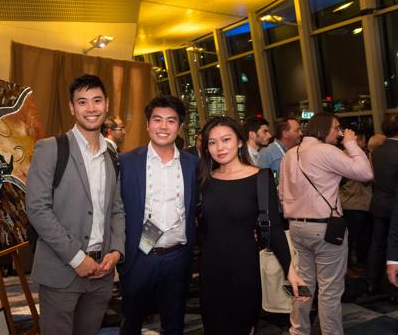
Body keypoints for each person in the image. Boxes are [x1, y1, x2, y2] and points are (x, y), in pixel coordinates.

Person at [25, 74, 125, 335]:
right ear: (71, 107)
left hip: (102, 273)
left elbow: (117, 208)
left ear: (106, 104)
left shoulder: (112, 155)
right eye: (82, 102)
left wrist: (116, 251)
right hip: (62, 272)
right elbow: (37, 209)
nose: (91, 109)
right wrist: (76, 258)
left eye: (97, 101)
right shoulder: (50, 149)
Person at [198, 116, 307, 334]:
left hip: (244, 270)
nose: (219, 147)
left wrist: (290, 270)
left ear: (239, 141)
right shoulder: (203, 179)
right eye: (212, 142)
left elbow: (274, 228)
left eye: (226, 139)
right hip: (211, 271)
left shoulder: (260, 177)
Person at [279, 112, 373, 335]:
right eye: (337, 128)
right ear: (324, 129)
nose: (340, 133)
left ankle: (298, 331)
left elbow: (281, 194)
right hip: (325, 229)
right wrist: (351, 145)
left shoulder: (290, 154)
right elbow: (365, 172)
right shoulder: (326, 151)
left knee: (302, 285)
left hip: (297, 227)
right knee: (330, 290)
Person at [118, 95, 199, 334]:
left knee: (174, 323)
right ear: (147, 124)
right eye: (157, 120)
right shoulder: (126, 162)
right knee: (131, 321)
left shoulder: (192, 164)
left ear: (180, 126)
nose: (163, 127)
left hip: (178, 257)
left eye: (171, 121)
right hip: (139, 256)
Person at [367, 113, 398, 298]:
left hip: (379, 204)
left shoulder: (377, 150)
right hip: (394, 205)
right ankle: (393, 288)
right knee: (393, 245)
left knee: (377, 245)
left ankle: (372, 283)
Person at [339, 131, 372, 269]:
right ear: (360, 139)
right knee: (356, 238)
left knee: (353, 238)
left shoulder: (341, 155)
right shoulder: (357, 156)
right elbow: (367, 179)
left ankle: (354, 266)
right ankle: (353, 266)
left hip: (348, 202)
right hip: (357, 202)